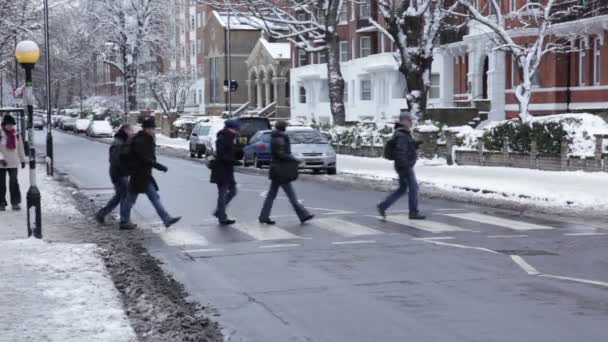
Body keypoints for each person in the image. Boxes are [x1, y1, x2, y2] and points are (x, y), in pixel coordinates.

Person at [120, 118, 181, 230]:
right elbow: (145, 159)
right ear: (147, 129)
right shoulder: (142, 141)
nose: (154, 130)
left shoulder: (144, 139)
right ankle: (124, 221)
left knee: (152, 198)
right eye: (153, 128)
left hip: (143, 175)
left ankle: (166, 219)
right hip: (139, 175)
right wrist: (159, 166)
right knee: (132, 199)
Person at [259, 120, 314, 225]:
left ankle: (263, 216)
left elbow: (280, 153)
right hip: (281, 171)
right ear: (283, 128)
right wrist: (294, 159)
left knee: (271, 195)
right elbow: (281, 154)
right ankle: (303, 214)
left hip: (277, 170)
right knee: (291, 195)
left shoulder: (276, 137)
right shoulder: (279, 138)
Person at [377, 111, 426, 220]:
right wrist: (406, 167)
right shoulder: (401, 135)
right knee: (413, 188)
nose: (411, 122)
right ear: (403, 121)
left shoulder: (403, 133)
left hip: (403, 166)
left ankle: (383, 206)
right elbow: (401, 152)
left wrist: (415, 144)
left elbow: (405, 148)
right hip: (405, 166)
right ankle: (413, 212)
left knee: (402, 189)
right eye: (409, 120)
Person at [95, 124, 135, 225]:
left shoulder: (124, 140)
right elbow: (115, 159)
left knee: (119, 196)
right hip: (119, 174)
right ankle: (124, 221)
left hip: (120, 173)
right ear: (125, 130)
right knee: (125, 196)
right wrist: (125, 168)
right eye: (131, 130)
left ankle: (101, 214)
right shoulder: (118, 142)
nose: (132, 132)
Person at [210, 119, 239, 225]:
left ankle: (219, 212)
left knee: (233, 191)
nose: (237, 132)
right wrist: (233, 161)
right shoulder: (222, 138)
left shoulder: (230, 138)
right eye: (236, 129)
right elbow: (221, 156)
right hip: (221, 170)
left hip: (228, 170)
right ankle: (222, 217)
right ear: (230, 129)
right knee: (222, 194)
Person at [0, 114, 26, 211]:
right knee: (1, 184)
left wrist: (23, 160)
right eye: (8, 124)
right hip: (1, 163)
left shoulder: (16, 134)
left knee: (14, 183)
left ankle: (15, 203)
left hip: (13, 162)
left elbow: (21, 148)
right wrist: (1, 158)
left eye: (11, 124)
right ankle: (1, 203)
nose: (10, 126)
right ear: (4, 124)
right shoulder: (0, 134)